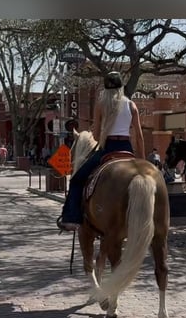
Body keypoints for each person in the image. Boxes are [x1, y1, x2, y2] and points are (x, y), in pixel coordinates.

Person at [57, 71, 146, 231]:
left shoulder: (101, 104)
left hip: (108, 149)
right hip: (127, 148)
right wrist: (143, 161)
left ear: (106, 88)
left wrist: (101, 131)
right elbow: (139, 137)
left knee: (77, 180)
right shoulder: (131, 105)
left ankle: (71, 218)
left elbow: (97, 137)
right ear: (121, 87)